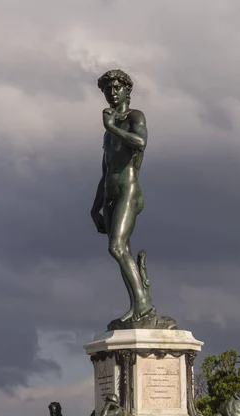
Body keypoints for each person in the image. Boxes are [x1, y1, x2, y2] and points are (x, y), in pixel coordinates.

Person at [91, 69, 155, 327]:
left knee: (116, 247)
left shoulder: (134, 117)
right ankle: (137, 306)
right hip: (110, 195)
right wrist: (95, 208)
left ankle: (144, 305)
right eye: (108, 89)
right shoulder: (108, 133)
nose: (112, 92)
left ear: (127, 91)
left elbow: (140, 142)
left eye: (117, 87)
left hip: (129, 190)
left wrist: (112, 127)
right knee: (122, 251)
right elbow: (105, 170)